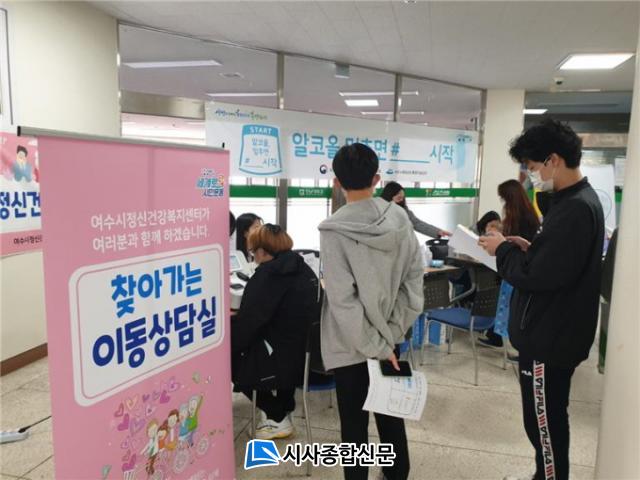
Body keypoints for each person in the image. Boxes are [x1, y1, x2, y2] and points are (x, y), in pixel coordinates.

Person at [479, 119, 604, 480]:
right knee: (544, 420)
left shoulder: (575, 208)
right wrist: (529, 248)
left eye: (533, 167)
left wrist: (502, 250)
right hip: (554, 332)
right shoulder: (573, 202)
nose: (532, 175)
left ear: (553, 160)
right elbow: (557, 264)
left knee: (544, 426)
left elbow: (536, 277)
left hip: (550, 338)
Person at [319, 144, 424, 480]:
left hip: (350, 346)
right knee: (391, 416)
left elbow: (343, 301)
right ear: (377, 179)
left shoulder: (332, 230)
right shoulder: (400, 218)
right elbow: (413, 282)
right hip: (392, 339)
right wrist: (388, 338)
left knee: (354, 426)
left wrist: (373, 344)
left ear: (337, 182)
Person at [231, 224, 318, 440]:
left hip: (279, 355)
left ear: (262, 250)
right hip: (305, 353)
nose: (253, 256)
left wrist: (230, 338)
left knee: (230, 359)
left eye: (253, 251)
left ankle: (276, 416)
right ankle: (284, 406)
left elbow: (250, 322)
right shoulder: (302, 267)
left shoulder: (267, 275)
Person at [479, 180, 540, 348]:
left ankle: (514, 346)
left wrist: (499, 240)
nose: (502, 202)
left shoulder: (520, 217)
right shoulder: (527, 213)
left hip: (517, 266)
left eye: (503, 198)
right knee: (506, 306)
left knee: (511, 308)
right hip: (516, 264)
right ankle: (496, 336)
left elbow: (512, 241)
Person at [380, 181, 452, 237]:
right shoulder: (378, 209)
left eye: (403, 198)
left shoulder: (403, 209)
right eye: (399, 198)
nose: (401, 200)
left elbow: (416, 223)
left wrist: (438, 231)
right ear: (389, 195)